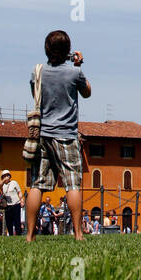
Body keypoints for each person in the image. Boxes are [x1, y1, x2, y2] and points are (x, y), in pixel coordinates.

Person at [26, 29, 91, 243]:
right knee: (72, 183)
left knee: (38, 184)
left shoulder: (38, 71)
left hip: (43, 134)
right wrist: (78, 66)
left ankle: (30, 236)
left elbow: (35, 94)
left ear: (46, 49)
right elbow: (87, 92)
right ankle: (78, 234)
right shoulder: (74, 73)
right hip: (67, 135)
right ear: (68, 50)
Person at [0, 170, 23, 236]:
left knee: (17, 220)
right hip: (7, 205)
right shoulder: (2, 185)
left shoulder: (14, 182)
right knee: (8, 221)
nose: (6, 177)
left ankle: (18, 234)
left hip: (16, 203)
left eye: (7, 175)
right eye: (4, 176)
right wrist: (3, 181)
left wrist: (22, 201)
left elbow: (19, 192)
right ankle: (10, 234)